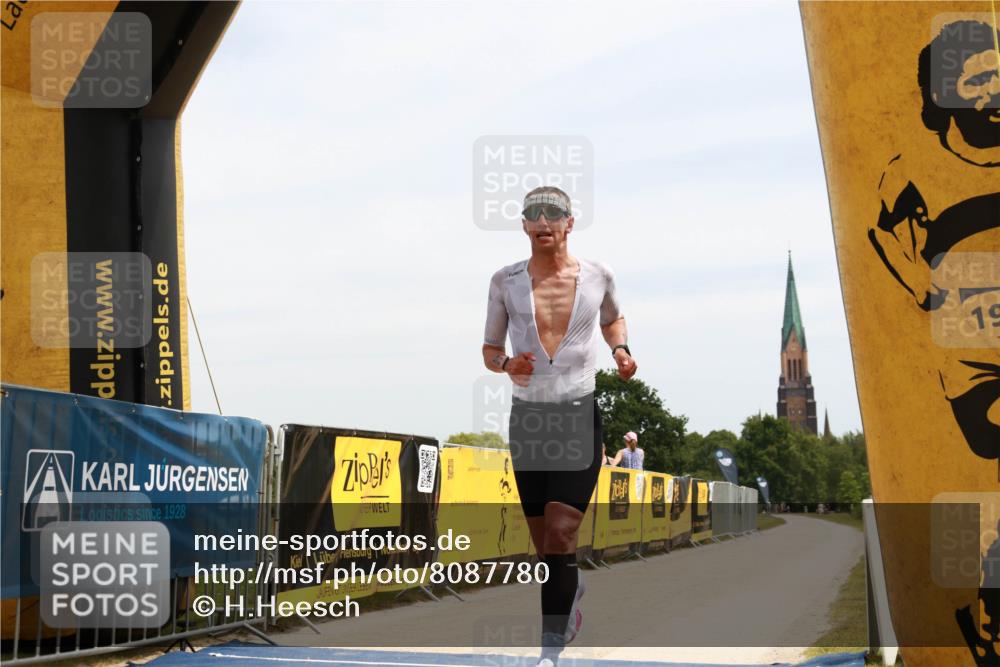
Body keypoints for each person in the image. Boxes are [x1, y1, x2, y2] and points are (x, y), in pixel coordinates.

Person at [482, 186, 638, 667]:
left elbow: (614, 320)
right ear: (525, 225)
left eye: (554, 213)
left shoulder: (597, 275)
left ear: (570, 223)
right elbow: (489, 351)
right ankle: (569, 584)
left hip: (576, 412)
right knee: (545, 546)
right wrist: (508, 365)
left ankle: (549, 650)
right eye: (534, 214)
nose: (544, 221)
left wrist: (621, 351)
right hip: (529, 419)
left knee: (561, 534)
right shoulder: (504, 281)